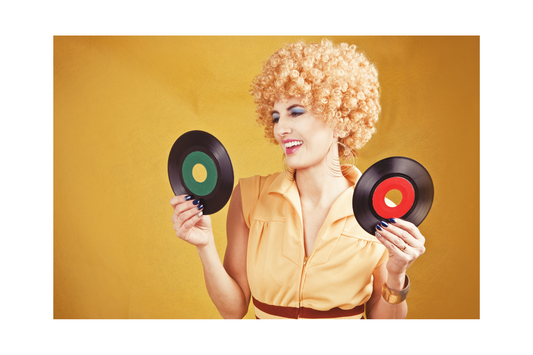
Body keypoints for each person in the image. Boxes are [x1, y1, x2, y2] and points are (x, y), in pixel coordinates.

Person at [170, 39, 426, 319]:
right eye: (276, 117)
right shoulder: (250, 195)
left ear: (339, 118)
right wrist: (205, 246)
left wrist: (397, 273)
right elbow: (233, 310)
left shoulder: (381, 209)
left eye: (296, 112)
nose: (281, 128)